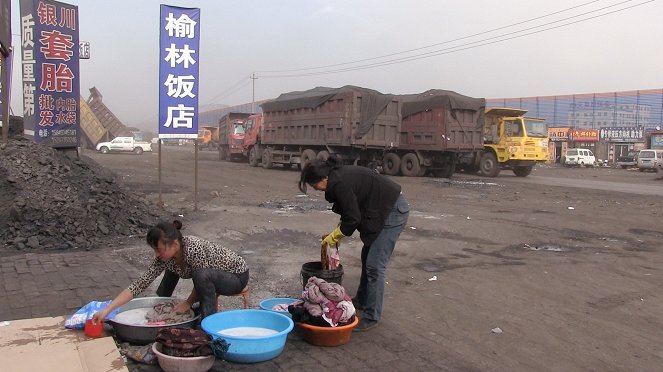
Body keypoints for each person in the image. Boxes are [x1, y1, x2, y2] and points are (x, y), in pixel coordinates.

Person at [298, 156, 410, 332]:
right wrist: (337, 231)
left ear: (324, 178)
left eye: (315, 186)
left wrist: (336, 236)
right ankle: (362, 300)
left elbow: (353, 218)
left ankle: (372, 316)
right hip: (382, 208)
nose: (316, 190)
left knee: (375, 266)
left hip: (393, 212)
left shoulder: (340, 183)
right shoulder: (337, 178)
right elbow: (351, 210)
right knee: (368, 256)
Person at [92, 220, 249, 323]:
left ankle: (209, 325)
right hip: (209, 277)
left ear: (174, 244)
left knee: (200, 275)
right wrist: (107, 310)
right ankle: (161, 304)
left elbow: (202, 280)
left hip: (236, 277)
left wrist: (187, 303)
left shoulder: (193, 247)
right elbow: (140, 283)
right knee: (171, 267)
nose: (157, 254)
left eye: (159, 249)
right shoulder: (167, 256)